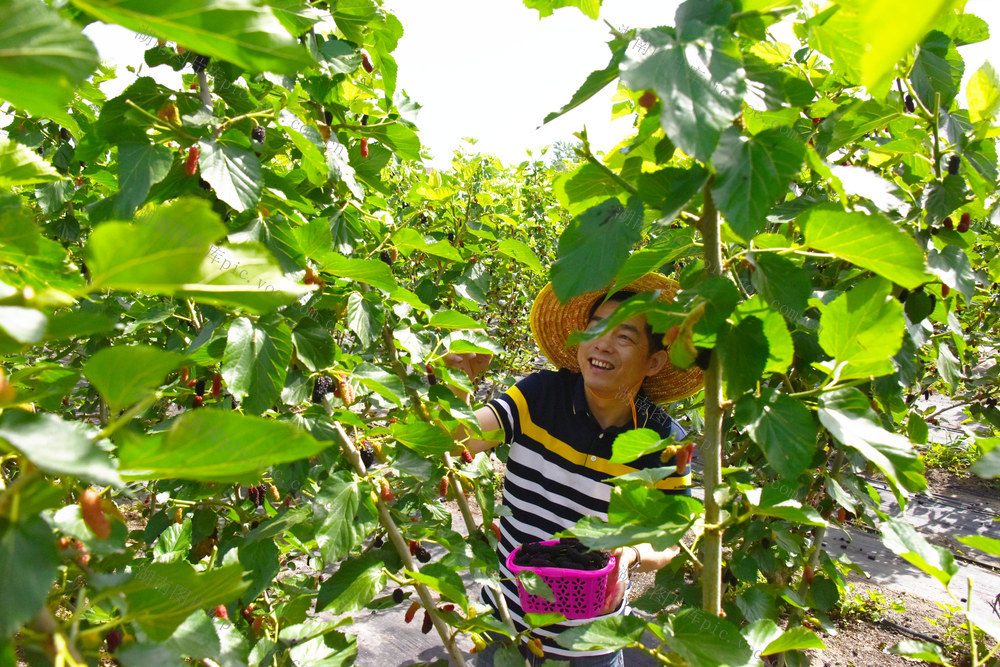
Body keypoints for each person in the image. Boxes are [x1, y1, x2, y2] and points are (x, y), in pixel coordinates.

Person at [444, 273, 703, 665]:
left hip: (589, 642)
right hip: (504, 619)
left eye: (624, 336)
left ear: (654, 361)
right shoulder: (539, 395)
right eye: (595, 328)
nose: (601, 343)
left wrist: (631, 554)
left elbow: (674, 535)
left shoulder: (664, 443)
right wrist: (457, 384)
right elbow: (460, 440)